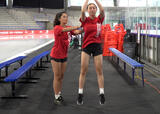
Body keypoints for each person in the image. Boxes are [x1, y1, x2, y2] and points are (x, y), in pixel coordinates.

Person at [77, 0, 105, 105]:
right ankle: (80, 93)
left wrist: (96, 1)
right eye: (90, 8)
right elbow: (82, 11)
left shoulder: (99, 19)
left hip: (97, 46)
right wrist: (87, 1)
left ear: (96, 10)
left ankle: (101, 93)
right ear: (88, 10)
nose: (92, 9)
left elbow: (102, 10)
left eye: (94, 8)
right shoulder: (85, 20)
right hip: (87, 47)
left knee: (99, 71)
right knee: (83, 70)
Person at [50, 11, 81, 105]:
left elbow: (77, 32)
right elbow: (64, 30)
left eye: (67, 17)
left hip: (64, 55)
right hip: (56, 55)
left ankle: (59, 94)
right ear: (59, 19)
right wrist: (76, 26)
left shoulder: (68, 28)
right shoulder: (57, 28)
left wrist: (86, 27)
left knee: (61, 76)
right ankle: (56, 96)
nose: (66, 18)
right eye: (64, 17)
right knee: (57, 76)